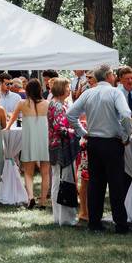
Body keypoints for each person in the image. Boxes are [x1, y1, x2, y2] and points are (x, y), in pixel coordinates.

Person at [67, 64, 132, 234]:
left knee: (95, 183)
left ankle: (94, 223)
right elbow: (125, 114)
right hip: (112, 142)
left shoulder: (88, 93)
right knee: (116, 183)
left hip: (94, 142)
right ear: (109, 75)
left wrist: (83, 133)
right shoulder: (115, 92)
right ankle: (121, 224)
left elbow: (70, 114)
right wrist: (126, 135)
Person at [7, 78, 50, 208]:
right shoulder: (47, 103)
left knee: (28, 172)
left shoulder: (21, 103)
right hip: (44, 140)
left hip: (29, 140)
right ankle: (43, 201)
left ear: (27, 90)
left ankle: (30, 197)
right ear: (40, 90)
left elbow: (12, 120)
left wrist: (7, 128)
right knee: (45, 173)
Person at [48, 77, 78, 226]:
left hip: (56, 146)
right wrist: (76, 132)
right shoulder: (58, 105)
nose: (69, 89)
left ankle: (59, 217)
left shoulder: (55, 103)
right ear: (61, 89)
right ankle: (65, 218)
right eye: (67, 87)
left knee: (57, 180)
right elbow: (60, 129)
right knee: (64, 181)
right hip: (61, 147)